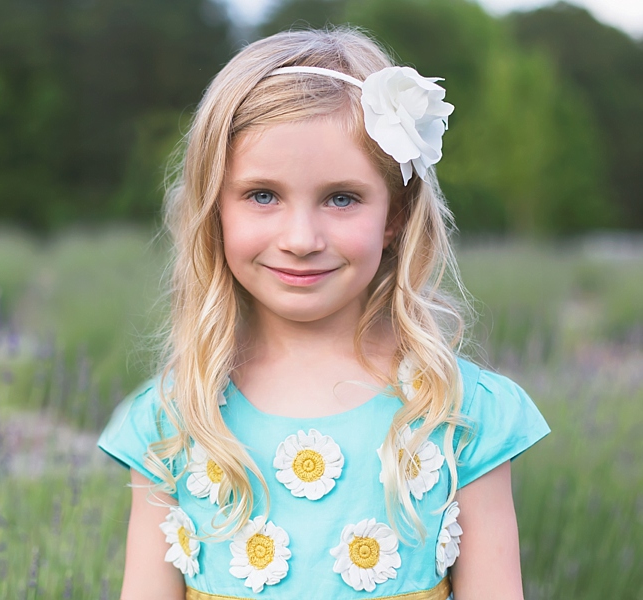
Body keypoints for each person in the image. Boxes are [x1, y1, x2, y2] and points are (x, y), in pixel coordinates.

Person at [98, 26, 549, 600]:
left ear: (395, 215)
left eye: (342, 197)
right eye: (262, 195)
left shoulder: (458, 417)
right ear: (215, 208)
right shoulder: (173, 421)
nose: (301, 238)